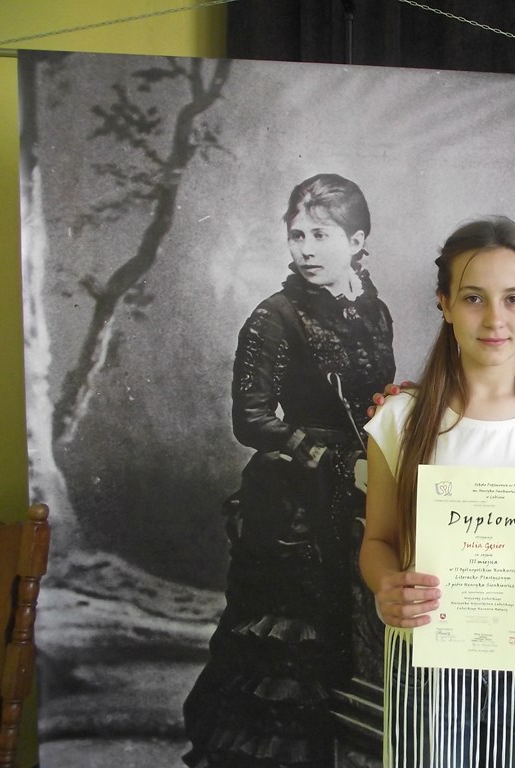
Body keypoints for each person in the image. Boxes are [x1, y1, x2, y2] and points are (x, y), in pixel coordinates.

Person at [359, 216, 515, 768]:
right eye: (473, 298)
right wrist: (386, 586)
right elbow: (378, 541)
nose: (495, 318)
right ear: (445, 304)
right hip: (429, 664)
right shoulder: (400, 420)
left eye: (513, 298)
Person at [183, 173, 396, 767]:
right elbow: (250, 419)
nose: (305, 249)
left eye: (320, 235)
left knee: (351, 643)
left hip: (359, 490)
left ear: (357, 241)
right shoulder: (273, 317)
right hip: (291, 505)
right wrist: (334, 461)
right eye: (297, 235)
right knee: (289, 646)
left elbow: (375, 401)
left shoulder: (375, 313)